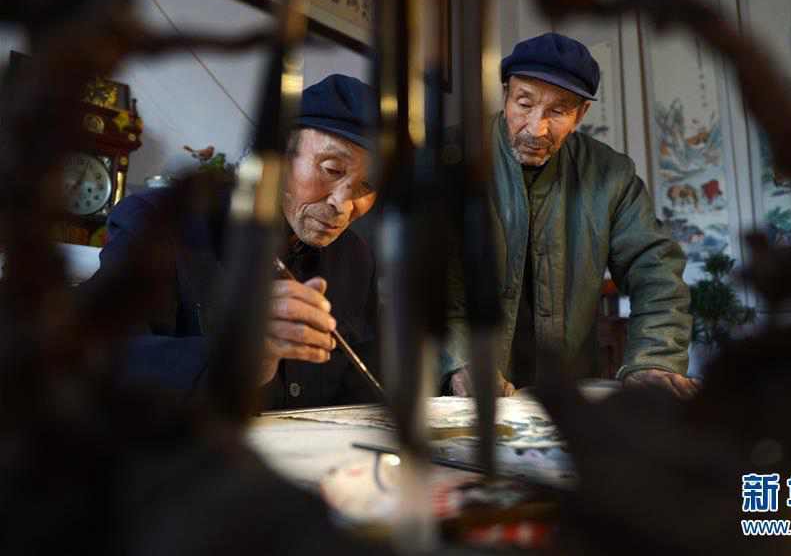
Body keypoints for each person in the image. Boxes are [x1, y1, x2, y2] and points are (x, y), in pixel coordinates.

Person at [83, 74, 380, 409]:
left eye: (366, 186)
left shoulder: (356, 258)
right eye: (331, 169)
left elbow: (365, 379)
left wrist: (446, 382)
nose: (343, 205)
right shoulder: (160, 224)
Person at [441, 33, 696, 399]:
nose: (536, 128)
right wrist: (457, 362)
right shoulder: (448, 159)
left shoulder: (610, 174)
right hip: (464, 393)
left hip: (567, 393)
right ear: (505, 95)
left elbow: (656, 272)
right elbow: (415, 283)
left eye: (557, 111)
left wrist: (654, 360)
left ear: (581, 114)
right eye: (524, 103)